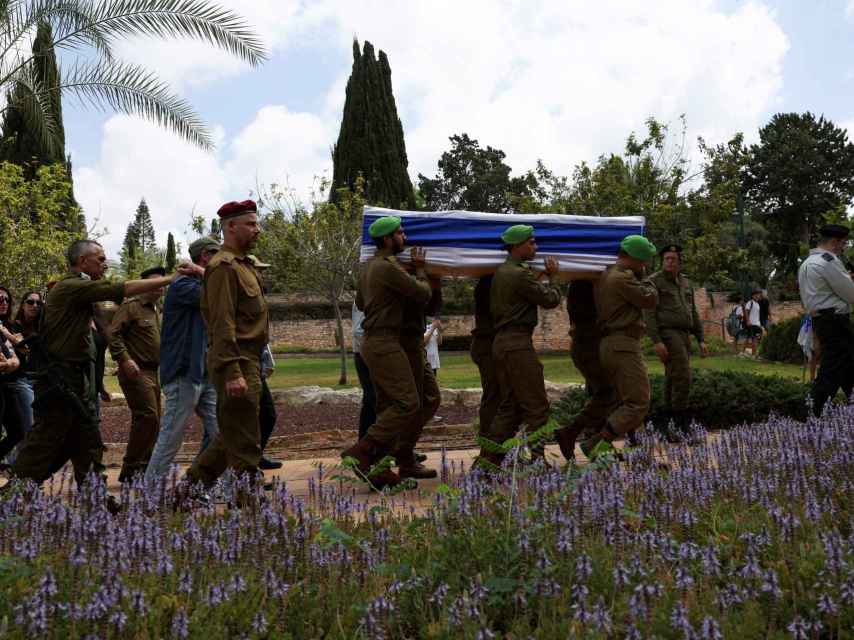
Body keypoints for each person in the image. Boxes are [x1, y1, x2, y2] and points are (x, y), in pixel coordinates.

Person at [8, 239, 186, 490]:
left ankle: (96, 496)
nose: (105, 263)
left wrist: (113, 363)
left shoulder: (81, 291)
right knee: (46, 439)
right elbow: (122, 288)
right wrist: (171, 278)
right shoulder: (72, 286)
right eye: (100, 259)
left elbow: (105, 326)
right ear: (82, 261)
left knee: (87, 438)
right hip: (60, 378)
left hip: (75, 378)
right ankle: (13, 493)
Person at [342, 215, 436, 489]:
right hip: (384, 341)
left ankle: (380, 468)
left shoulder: (368, 268)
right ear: (387, 239)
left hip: (376, 342)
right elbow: (422, 293)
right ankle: (361, 450)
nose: (404, 237)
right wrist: (419, 270)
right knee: (408, 402)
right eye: (400, 233)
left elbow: (360, 300)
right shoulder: (387, 267)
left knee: (388, 406)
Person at [184, 200, 269, 490]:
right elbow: (222, 323)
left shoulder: (244, 265)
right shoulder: (222, 267)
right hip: (238, 360)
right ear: (231, 227)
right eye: (252, 224)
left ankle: (187, 491)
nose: (258, 230)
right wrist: (232, 371)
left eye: (256, 223)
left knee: (234, 433)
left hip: (250, 359)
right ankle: (248, 506)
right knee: (245, 439)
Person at [476, 224, 561, 467]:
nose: (536, 247)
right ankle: (537, 461)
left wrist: (538, 278)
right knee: (537, 406)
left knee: (510, 407)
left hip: (503, 344)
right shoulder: (518, 274)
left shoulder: (503, 272)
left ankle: (487, 462)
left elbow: (523, 292)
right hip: (517, 345)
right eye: (531, 242)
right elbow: (550, 300)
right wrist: (554, 277)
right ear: (517, 246)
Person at [145, 237, 221, 483]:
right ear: (205, 256)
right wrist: (203, 273)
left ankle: (222, 487)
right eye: (217, 255)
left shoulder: (200, 280)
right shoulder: (184, 286)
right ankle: (150, 493)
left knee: (223, 434)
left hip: (203, 373)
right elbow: (219, 292)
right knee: (171, 437)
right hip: (182, 372)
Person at [580, 235, 658, 460]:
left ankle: (643, 457)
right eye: (643, 260)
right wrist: (646, 279)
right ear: (633, 257)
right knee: (638, 402)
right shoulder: (621, 278)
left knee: (629, 401)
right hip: (623, 345)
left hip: (612, 345)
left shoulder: (604, 275)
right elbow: (650, 299)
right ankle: (598, 441)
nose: (645, 265)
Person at [644, 244, 708, 443]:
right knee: (683, 376)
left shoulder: (685, 283)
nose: (670, 262)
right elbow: (649, 313)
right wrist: (657, 341)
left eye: (673, 259)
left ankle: (666, 426)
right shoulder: (654, 281)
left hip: (684, 334)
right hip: (668, 333)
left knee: (673, 377)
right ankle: (681, 425)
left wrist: (701, 339)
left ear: (680, 262)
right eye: (666, 259)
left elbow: (693, 312)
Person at [108, 266, 165, 482]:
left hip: (154, 372)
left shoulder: (156, 309)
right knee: (148, 417)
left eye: (162, 284)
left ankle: (144, 468)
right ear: (144, 285)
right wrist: (125, 360)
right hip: (135, 371)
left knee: (154, 420)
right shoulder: (131, 307)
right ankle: (131, 469)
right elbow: (114, 336)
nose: (160, 288)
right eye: (155, 283)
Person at [554, 280, 617, 460]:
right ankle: (571, 433)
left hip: (589, 345)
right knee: (607, 393)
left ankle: (596, 444)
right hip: (589, 345)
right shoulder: (584, 285)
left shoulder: (579, 283)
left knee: (601, 393)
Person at [797, 223, 854, 417]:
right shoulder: (828, 261)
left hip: (823, 320)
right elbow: (850, 294)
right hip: (835, 321)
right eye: (843, 243)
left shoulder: (807, 263)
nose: (844, 247)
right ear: (834, 241)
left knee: (847, 366)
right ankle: (814, 413)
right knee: (832, 368)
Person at [248, 254, 281, 471]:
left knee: (267, 414)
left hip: (257, 365)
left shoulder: (258, 296)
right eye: (259, 270)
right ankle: (247, 467)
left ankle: (255, 457)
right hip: (245, 365)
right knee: (251, 418)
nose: (262, 275)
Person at [1, 291, 43, 465]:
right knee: (27, 429)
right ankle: (25, 476)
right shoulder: (13, 326)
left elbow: (16, 354)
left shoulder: (43, 327)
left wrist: (12, 361)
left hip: (37, 381)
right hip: (19, 381)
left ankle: (15, 469)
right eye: (30, 302)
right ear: (23, 304)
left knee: (20, 430)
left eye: (38, 303)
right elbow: (21, 349)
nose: (34, 305)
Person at [469, 276, 500, 443]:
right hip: (487, 345)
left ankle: (493, 442)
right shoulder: (488, 284)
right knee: (493, 395)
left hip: (487, 344)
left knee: (496, 395)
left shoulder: (487, 282)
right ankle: (488, 443)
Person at [0, 287, 22, 467]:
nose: (4, 303)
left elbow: (15, 358)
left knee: (18, 431)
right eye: (0, 299)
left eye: (7, 300)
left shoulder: (3, 327)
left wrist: (9, 364)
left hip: (7, 384)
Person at [351, 302, 376, 439]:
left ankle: (365, 444)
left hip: (366, 354)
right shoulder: (366, 296)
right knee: (375, 399)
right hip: (367, 356)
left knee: (372, 400)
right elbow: (359, 332)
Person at [736, 290, 763, 356]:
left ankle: (742, 352)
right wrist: (748, 321)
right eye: (756, 295)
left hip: (757, 324)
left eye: (758, 295)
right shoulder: (750, 302)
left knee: (749, 338)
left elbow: (757, 315)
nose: (757, 296)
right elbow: (746, 312)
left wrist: (759, 323)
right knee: (754, 339)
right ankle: (754, 355)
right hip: (751, 324)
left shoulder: (757, 304)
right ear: (752, 296)